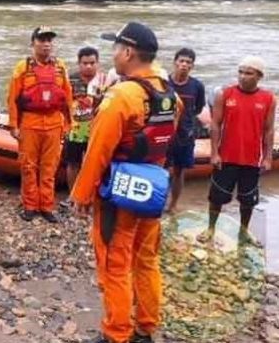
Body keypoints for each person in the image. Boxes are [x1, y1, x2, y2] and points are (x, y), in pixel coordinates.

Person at [71, 22, 182, 343]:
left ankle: (117, 333)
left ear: (129, 52)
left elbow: (97, 151)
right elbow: (168, 138)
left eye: (116, 48)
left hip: (118, 195)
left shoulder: (122, 96)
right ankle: (146, 327)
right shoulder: (168, 93)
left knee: (114, 265)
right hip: (152, 190)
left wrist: (82, 193)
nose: (113, 54)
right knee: (146, 260)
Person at [202, 56, 276, 245]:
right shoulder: (225, 94)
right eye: (240, 72)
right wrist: (214, 153)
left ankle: (243, 231)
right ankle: (211, 227)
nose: (243, 77)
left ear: (259, 76)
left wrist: (267, 157)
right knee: (216, 196)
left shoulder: (268, 98)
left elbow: (268, 130)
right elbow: (216, 124)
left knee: (248, 201)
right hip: (226, 157)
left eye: (248, 73)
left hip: (252, 159)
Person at [7, 26, 72, 223]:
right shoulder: (22, 68)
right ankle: (30, 205)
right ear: (33, 43)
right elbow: (12, 99)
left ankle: (47, 205)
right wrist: (13, 126)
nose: (46, 44)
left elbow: (67, 98)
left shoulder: (61, 67)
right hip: (30, 122)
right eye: (41, 40)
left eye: (49, 40)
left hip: (53, 123)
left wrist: (69, 125)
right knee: (28, 166)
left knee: (49, 167)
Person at [60, 47, 106, 209]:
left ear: (97, 63)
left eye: (92, 63)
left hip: (97, 130)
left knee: (94, 163)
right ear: (79, 64)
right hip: (74, 129)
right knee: (72, 163)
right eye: (85, 63)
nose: (88, 66)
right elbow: (62, 103)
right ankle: (72, 196)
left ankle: (91, 196)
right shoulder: (70, 80)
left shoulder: (104, 81)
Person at [165, 48, 206, 214]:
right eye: (181, 61)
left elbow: (198, 108)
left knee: (179, 171)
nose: (184, 65)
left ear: (192, 66)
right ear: (175, 62)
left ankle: (173, 205)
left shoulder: (197, 86)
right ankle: (156, 202)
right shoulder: (164, 83)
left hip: (185, 136)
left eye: (188, 62)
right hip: (164, 134)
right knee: (159, 168)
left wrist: (186, 123)